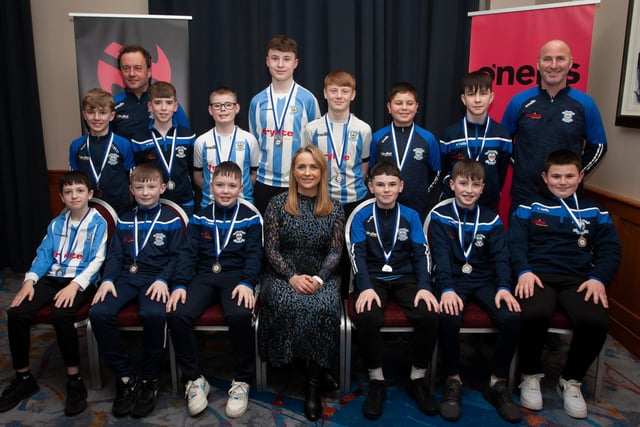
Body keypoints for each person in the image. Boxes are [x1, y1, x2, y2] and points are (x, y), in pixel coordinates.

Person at [509, 149, 620, 419]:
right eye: (556, 176)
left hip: (579, 280)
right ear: (545, 177)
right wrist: (522, 271)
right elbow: (515, 242)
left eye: (569, 176)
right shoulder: (529, 206)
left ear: (580, 177)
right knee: (534, 314)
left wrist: (598, 279)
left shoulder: (595, 210)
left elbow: (611, 250)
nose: (562, 181)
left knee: (596, 322)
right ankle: (530, 374)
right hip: (537, 275)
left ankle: (571, 380)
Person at [0, 171, 107, 416]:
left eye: (79, 191)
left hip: (81, 280)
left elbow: (98, 260)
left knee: (61, 315)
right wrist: (29, 281)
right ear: (61, 197)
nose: (74, 196)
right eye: (68, 192)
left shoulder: (98, 222)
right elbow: (44, 255)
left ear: (89, 194)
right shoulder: (56, 223)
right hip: (52, 278)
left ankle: (74, 380)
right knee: (17, 313)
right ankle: (23, 377)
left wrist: (76, 285)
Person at [89, 163, 187, 419]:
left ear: (162, 188)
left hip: (155, 279)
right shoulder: (124, 219)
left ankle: (148, 378)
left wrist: (165, 279)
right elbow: (115, 255)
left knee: (154, 315)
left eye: (151, 187)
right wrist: (108, 279)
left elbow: (178, 257)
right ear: (131, 189)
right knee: (99, 313)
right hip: (125, 278)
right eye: (139, 187)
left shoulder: (171, 220)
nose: (145, 192)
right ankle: (124, 376)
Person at [166, 161, 263, 418]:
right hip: (205, 275)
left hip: (236, 276)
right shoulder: (199, 217)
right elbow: (188, 255)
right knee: (177, 312)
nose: (225, 190)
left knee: (241, 314)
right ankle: (195, 380)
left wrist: (247, 282)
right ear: (211, 186)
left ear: (241, 187)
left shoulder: (251, 218)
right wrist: (179, 285)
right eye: (220, 185)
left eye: (232, 186)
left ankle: (241, 380)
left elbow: (255, 255)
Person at [429, 160, 521, 423]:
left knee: (512, 317)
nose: (468, 190)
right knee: (447, 317)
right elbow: (441, 258)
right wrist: (446, 288)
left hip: (483, 281)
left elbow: (502, 257)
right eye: (463, 183)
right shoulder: (440, 216)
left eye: (475, 184)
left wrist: (504, 287)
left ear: (482, 188)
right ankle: (453, 379)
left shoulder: (491, 219)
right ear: (452, 184)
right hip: (452, 281)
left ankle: (497, 382)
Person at [258, 145, 344, 421]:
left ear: (322, 171)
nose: (307, 173)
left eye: (313, 167)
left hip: (322, 274)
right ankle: (301, 363)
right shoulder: (277, 204)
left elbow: (335, 251)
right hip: (283, 273)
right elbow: (271, 250)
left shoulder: (334, 207)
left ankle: (313, 383)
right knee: (289, 303)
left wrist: (319, 278)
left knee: (323, 308)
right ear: (293, 171)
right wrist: (291, 276)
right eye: (301, 167)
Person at [349, 161, 439, 420]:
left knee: (429, 314)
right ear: (370, 187)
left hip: (406, 277)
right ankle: (377, 380)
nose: (386, 190)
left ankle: (417, 378)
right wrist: (363, 287)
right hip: (373, 278)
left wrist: (424, 287)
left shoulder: (411, 216)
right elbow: (358, 255)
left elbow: (422, 254)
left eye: (391, 185)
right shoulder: (361, 216)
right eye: (380, 185)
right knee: (367, 316)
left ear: (401, 186)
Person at [502, 39, 607, 211]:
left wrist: (573, 176)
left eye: (560, 59)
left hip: (567, 197)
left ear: (570, 63)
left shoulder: (585, 104)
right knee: (519, 239)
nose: (553, 65)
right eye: (547, 59)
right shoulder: (519, 102)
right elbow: (503, 143)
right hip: (525, 195)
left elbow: (599, 146)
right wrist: (522, 166)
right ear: (538, 64)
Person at [302, 70, 371, 296]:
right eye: (334, 91)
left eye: (344, 91)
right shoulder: (312, 129)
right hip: (323, 202)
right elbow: (308, 167)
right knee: (325, 252)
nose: (339, 96)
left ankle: (348, 297)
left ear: (353, 95)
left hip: (355, 200)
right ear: (325, 93)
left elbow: (364, 168)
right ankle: (325, 296)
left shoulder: (363, 129)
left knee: (352, 252)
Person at [248, 35, 321, 213]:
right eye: (275, 58)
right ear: (267, 61)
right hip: (265, 182)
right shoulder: (257, 101)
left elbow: (315, 144)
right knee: (268, 238)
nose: (280, 65)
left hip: (298, 182)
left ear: (295, 63)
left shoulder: (308, 99)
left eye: (286, 59)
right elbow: (255, 142)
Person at [439, 71, 512, 211]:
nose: (477, 100)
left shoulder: (502, 135)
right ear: (463, 98)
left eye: (483, 94)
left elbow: (500, 173)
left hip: (488, 208)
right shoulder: (450, 135)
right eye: (471, 94)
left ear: (491, 97)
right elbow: (444, 170)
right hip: (454, 208)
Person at [369, 82, 441, 223]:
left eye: (409, 103)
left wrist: (420, 192)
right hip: (384, 205)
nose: (404, 108)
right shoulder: (378, 138)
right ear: (389, 107)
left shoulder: (428, 138)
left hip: (417, 207)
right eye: (398, 103)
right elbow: (371, 170)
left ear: (416, 107)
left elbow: (436, 174)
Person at [131, 81, 196, 217]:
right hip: (152, 201)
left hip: (184, 201)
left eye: (168, 102)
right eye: (158, 103)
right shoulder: (139, 139)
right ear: (150, 106)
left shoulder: (188, 136)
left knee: (183, 237)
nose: (163, 108)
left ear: (175, 107)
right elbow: (138, 173)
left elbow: (192, 169)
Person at [70, 88, 135, 214]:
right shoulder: (76, 145)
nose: (96, 118)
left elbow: (132, 179)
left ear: (112, 116)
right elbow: (73, 180)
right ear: (84, 115)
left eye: (102, 112)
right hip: (88, 209)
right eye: (91, 112)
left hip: (121, 209)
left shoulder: (124, 145)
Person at [193, 86, 260, 209]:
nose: (223, 109)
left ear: (237, 108)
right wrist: (216, 191)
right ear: (210, 110)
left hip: (243, 205)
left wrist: (235, 190)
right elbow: (197, 176)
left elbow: (254, 174)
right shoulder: (201, 141)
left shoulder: (249, 140)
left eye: (228, 105)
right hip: (209, 205)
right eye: (217, 105)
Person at [112, 45, 190, 141]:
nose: (131, 74)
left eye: (138, 68)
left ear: (149, 72)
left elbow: (186, 139)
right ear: (120, 72)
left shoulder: (165, 103)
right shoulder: (113, 104)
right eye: (126, 68)